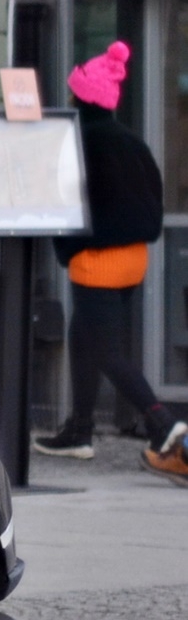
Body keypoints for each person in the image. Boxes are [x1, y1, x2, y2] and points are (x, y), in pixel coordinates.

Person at [30, 41, 186, 479]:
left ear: (80, 96)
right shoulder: (133, 143)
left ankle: (165, 425)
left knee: (107, 351)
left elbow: (61, 199)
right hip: (134, 260)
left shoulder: (76, 140)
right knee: (85, 336)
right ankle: (79, 431)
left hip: (95, 261)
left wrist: (66, 247)